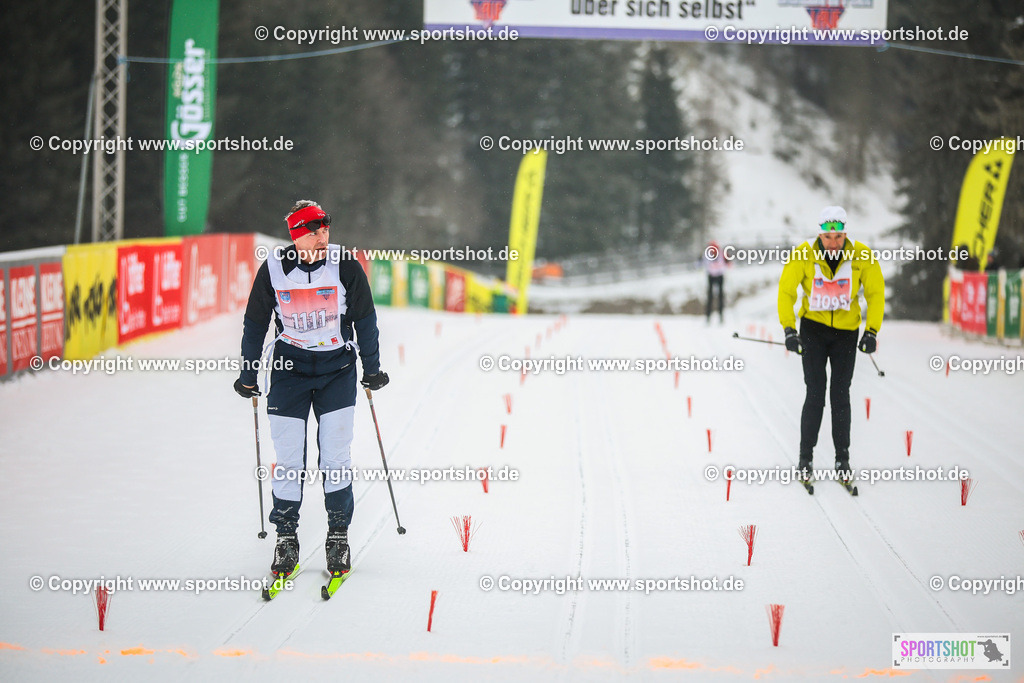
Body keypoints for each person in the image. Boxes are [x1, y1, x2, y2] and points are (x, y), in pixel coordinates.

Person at [233, 200, 389, 577]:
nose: (323, 236)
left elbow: (365, 320)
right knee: (288, 460)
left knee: (335, 456)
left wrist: (373, 369)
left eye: (325, 228)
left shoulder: (345, 265)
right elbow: (255, 325)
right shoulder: (273, 269)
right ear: (297, 235)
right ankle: (286, 538)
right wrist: (249, 373)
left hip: (337, 370)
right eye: (314, 230)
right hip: (289, 371)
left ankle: (338, 536)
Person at [777, 206, 884, 479]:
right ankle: (805, 458)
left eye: (838, 237)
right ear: (820, 236)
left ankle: (842, 460)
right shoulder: (803, 254)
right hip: (813, 330)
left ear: (845, 234)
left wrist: (871, 330)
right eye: (828, 237)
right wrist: (789, 329)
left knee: (840, 395)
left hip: (846, 334)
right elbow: (786, 291)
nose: (834, 243)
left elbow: (875, 293)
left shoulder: (862, 255)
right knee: (815, 393)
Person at [704, 240, 728, 324]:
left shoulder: (722, 254)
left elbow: (728, 263)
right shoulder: (707, 254)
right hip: (711, 276)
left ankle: (721, 316)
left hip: (720, 275)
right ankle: (708, 316)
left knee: (720, 296)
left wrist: (727, 261)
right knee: (710, 297)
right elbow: (701, 263)